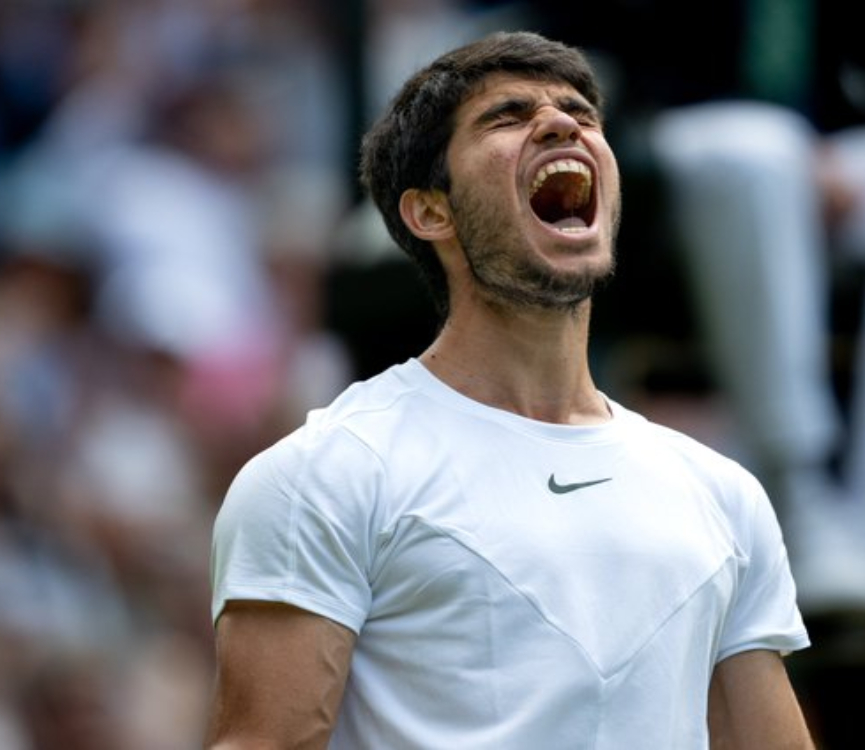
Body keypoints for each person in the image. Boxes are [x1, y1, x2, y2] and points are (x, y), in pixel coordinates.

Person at [205, 31, 815, 749]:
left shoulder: (724, 494)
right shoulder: (325, 475)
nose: (564, 125)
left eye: (583, 115)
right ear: (430, 212)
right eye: (508, 116)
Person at [529, 0, 865, 617]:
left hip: (818, 156)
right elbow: (584, 56)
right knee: (757, 151)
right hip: (661, 156)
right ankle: (796, 495)